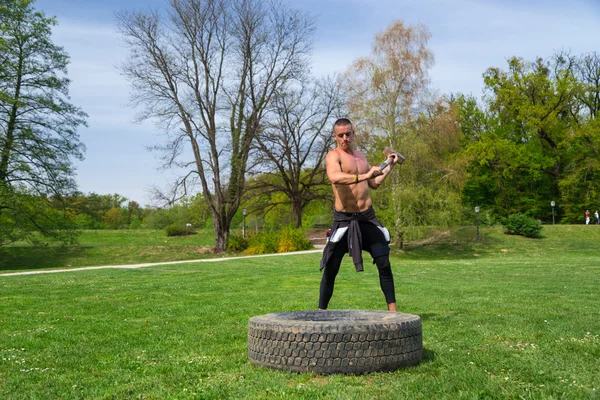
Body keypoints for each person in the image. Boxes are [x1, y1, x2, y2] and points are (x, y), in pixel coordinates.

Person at [318, 118, 402, 312]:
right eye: (341, 135)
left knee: (384, 262)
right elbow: (335, 177)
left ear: (353, 132)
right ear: (335, 136)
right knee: (331, 268)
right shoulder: (333, 156)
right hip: (345, 220)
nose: (345, 138)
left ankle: (394, 313)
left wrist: (390, 164)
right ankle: (320, 313)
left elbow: (374, 182)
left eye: (348, 134)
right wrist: (365, 176)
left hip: (366, 217)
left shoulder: (361, 156)